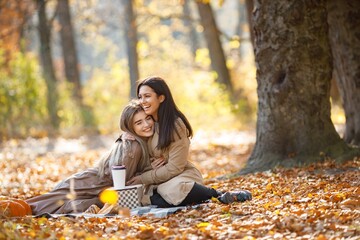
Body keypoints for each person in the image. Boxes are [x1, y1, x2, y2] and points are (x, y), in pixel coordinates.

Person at [126, 76, 252, 207]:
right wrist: (126, 134)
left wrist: (142, 178)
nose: (142, 101)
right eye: (140, 97)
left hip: (180, 176)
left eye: (147, 96)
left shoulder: (175, 125)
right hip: (157, 179)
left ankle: (218, 194)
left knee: (170, 190)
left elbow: (175, 167)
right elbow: (131, 125)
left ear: (161, 98)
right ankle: (196, 198)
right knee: (154, 196)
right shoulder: (148, 122)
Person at [26, 100, 154, 215]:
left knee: (63, 205)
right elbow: (124, 183)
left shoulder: (135, 141)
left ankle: (15, 208)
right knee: (41, 205)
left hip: (97, 185)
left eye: (148, 118)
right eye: (139, 123)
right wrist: (150, 169)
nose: (146, 124)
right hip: (90, 182)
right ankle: (11, 208)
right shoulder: (134, 146)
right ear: (131, 128)